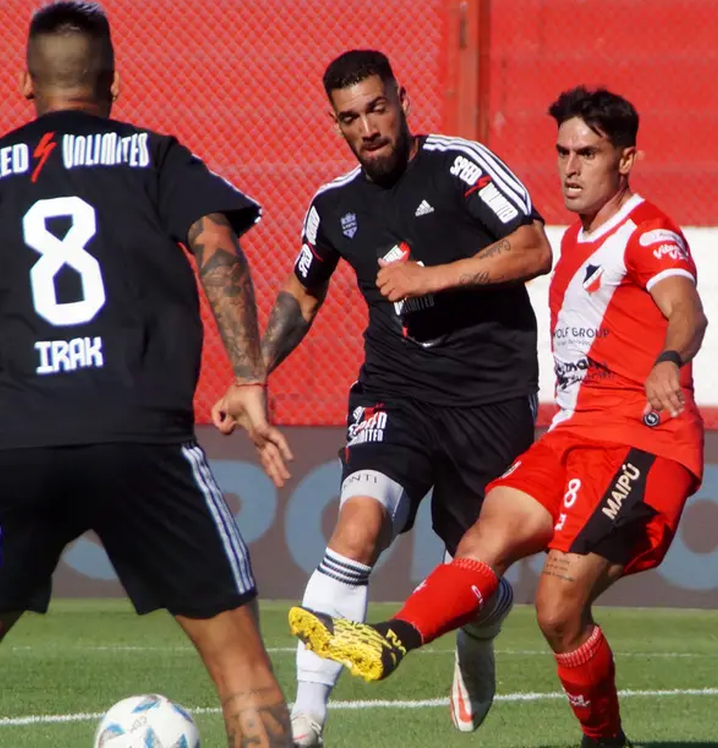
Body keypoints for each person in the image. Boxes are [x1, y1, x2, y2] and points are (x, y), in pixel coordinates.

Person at [0, 0, 295, 747]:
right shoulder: (154, 157)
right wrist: (249, 376)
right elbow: (215, 242)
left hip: (12, 445)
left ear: (25, 83)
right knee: (246, 678)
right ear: (113, 83)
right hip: (142, 442)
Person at [287, 85, 708, 748]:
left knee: (558, 608)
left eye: (589, 154)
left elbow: (686, 308)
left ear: (626, 160)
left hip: (642, 441)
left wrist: (669, 358)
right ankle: (391, 640)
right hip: (572, 435)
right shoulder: (579, 240)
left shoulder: (647, 234)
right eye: (563, 153)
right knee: (485, 538)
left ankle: (605, 742)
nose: (571, 168)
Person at [213, 49, 552, 745]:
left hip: (490, 396)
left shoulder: (460, 166)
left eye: (377, 109)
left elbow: (533, 248)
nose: (368, 128)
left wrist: (434, 276)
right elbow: (303, 291)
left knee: (475, 569)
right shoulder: (333, 206)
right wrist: (253, 374)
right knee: (357, 526)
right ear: (335, 123)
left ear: (402, 100)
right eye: (350, 118)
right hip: (396, 391)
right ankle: (305, 719)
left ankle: (478, 637)